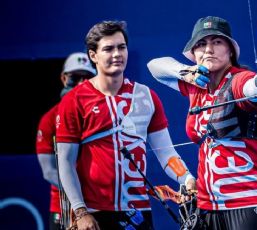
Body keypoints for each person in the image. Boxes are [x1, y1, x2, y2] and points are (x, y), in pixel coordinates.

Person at [147, 16, 257, 230]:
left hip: (251, 202)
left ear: (230, 50)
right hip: (209, 207)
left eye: (217, 42)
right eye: (201, 44)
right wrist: (186, 72)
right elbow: (154, 66)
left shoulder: (239, 79)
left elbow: (252, 88)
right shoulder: (196, 85)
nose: (208, 49)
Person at [55, 20, 196, 230]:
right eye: (108, 49)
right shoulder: (74, 100)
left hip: (137, 213)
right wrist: (80, 211)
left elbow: (167, 154)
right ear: (93, 55)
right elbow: (65, 162)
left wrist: (186, 178)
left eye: (121, 47)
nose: (117, 54)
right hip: (92, 215)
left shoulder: (147, 97)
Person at [36, 52, 96, 230]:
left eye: (87, 78)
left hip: (102, 203)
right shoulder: (49, 119)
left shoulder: (104, 115)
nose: (80, 83)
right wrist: (79, 196)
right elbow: (48, 171)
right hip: (64, 208)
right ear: (63, 78)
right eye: (75, 77)